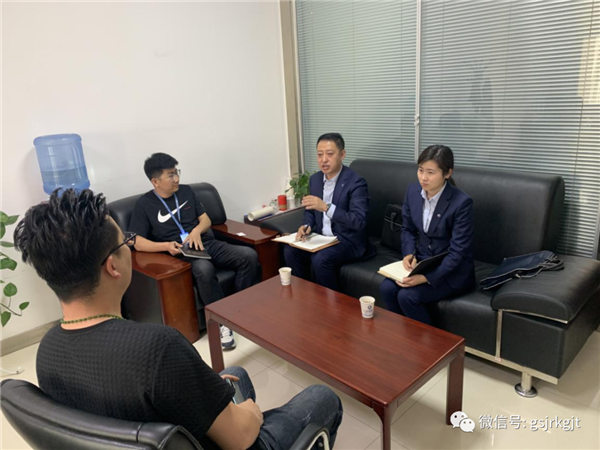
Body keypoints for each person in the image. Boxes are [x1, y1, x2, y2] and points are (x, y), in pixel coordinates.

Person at [14, 189, 343, 450]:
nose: (129, 248)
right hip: (239, 442)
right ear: (113, 266)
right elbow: (241, 438)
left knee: (236, 374)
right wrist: (251, 414)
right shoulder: (158, 349)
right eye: (125, 243)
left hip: (174, 432)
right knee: (323, 397)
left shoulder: (47, 352)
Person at [129, 152, 259, 350]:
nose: (176, 179)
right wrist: (165, 246)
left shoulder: (186, 192)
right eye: (171, 175)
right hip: (180, 253)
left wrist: (197, 231)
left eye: (177, 172)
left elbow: (206, 219)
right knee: (204, 269)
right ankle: (221, 323)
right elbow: (137, 242)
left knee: (248, 256)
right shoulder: (145, 204)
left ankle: (238, 310)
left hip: (206, 243)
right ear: (155, 181)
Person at [379, 145, 475, 325]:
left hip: (451, 272)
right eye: (420, 170)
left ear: (447, 173)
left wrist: (425, 278)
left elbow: (458, 252)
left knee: (408, 296)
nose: (423, 177)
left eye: (430, 172)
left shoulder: (461, 203)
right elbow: (407, 228)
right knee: (386, 288)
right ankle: (403, 333)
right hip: (423, 263)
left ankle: (428, 341)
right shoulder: (413, 191)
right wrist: (408, 254)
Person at [284, 132, 370, 291]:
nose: (324, 159)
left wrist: (326, 207)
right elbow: (310, 211)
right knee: (290, 251)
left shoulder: (356, 182)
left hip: (346, 240)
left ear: (342, 155)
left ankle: (330, 304)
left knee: (321, 259)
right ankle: (302, 296)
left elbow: (358, 221)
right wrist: (307, 226)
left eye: (330, 154)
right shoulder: (315, 179)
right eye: (319, 154)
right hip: (321, 238)